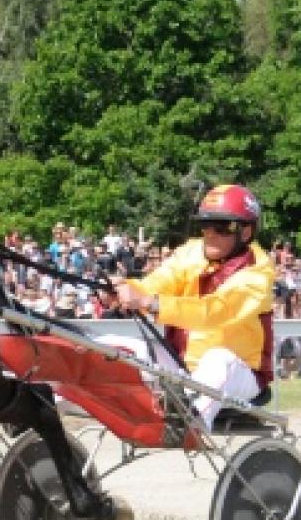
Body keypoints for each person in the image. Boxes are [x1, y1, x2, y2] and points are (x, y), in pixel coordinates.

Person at [111, 184, 275, 432]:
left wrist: (150, 303)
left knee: (219, 359)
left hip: (240, 374)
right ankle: (62, 399)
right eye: (206, 224)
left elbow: (213, 312)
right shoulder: (191, 252)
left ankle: (191, 423)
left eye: (222, 226)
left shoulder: (258, 272)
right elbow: (157, 283)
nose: (210, 233)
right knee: (111, 346)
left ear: (246, 232)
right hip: (183, 366)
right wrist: (122, 290)